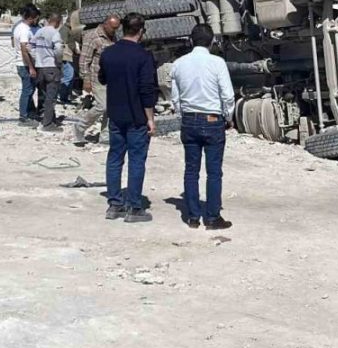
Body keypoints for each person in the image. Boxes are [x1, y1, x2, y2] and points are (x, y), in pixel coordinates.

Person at [169, 23, 235, 230]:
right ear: (212, 41)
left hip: (189, 120)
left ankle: (193, 217)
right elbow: (228, 95)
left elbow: (175, 98)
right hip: (212, 119)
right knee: (214, 172)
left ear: (190, 41)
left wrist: (183, 114)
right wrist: (228, 116)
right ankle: (213, 217)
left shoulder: (178, 64)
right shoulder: (217, 63)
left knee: (191, 170)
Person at [98, 12, 157, 223]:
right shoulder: (144, 56)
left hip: (115, 113)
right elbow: (147, 89)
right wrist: (150, 118)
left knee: (115, 157)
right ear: (140, 31)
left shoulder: (108, 53)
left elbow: (102, 78)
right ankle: (134, 207)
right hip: (137, 115)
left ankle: (114, 204)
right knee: (136, 160)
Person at [73, 14, 120, 148]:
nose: (114, 30)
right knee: (102, 106)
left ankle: (105, 135)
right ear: (105, 24)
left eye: (116, 28)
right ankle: (80, 126)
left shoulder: (113, 37)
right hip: (96, 77)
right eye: (113, 28)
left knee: (111, 107)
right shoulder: (92, 37)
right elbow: (84, 60)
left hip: (111, 78)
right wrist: (86, 79)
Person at [30, 13, 65, 133]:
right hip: (51, 67)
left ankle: (49, 118)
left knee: (44, 95)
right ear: (58, 21)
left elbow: (30, 47)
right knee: (51, 97)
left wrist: (37, 58)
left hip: (40, 67)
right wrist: (59, 61)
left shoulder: (39, 32)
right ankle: (48, 124)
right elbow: (59, 49)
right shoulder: (55, 33)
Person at [12, 5, 40, 126]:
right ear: (32, 17)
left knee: (30, 89)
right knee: (27, 90)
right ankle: (23, 117)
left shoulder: (19, 27)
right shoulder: (24, 30)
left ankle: (30, 112)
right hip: (24, 65)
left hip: (23, 64)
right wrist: (31, 67)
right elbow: (24, 50)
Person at [57, 15, 80, 105]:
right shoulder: (64, 30)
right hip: (66, 57)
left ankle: (66, 96)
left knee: (70, 76)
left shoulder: (68, 29)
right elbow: (62, 43)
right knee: (68, 77)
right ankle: (63, 97)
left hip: (69, 56)